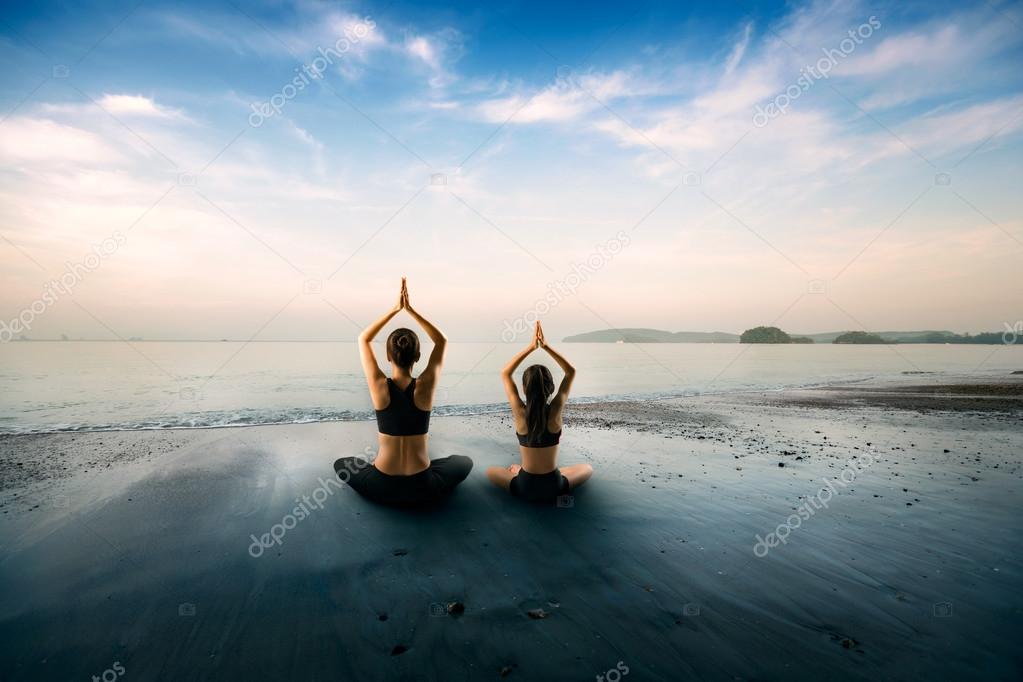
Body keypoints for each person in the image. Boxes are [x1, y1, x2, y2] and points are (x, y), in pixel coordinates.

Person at [333, 278, 472, 506]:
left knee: (342, 463)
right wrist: (411, 310)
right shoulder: (425, 385)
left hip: (382, 486)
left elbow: (363, 339)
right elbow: (441, 340)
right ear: (417, 357)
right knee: (463, 462)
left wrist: (396, 309)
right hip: (423, 487)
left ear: (388, 356)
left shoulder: (379, 385)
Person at [487, 321, 593, 503]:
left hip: (524, 487)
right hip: (554, 486)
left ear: (524, 388)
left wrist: (530, 347)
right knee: (587, 468)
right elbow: (570, 372)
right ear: (551, 388)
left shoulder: (519, 412)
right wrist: (546, 347)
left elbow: (505, 373)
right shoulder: (556, 410)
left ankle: (519, 471)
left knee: (491, 471)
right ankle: (537, 472)